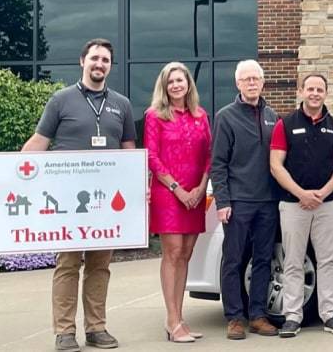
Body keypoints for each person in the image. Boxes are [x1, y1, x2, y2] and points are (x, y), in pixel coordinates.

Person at [20, 38, 136, 352]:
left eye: (105, 60)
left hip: (105, 202)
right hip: (68, 202)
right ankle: (64, 331)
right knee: (68, 265)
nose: (100, 64)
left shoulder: (122, 104)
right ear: (82, 61)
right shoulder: (61, 100)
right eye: (95, 58)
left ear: (110, 66)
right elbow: (39, 142)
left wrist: (140, 188)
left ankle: (96, 328)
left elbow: (129, 152)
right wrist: (9, 181)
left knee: (100, 266)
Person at [269, 73, 333, 337]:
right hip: (294, 205)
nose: (315, 93)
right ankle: (292, 317)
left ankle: (330, 314)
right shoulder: (285, 124)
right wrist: (301, 194)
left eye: (320, 89)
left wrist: (323, 193)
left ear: (326, 93)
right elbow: (276, 165)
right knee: (293, 261)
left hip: (327, 205)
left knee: (328, 261)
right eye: (310, 89)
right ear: (301, 91)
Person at [210, 60, 280, 340]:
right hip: (238, 202)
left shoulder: (272, 116)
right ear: (237, 83)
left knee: (263, 259)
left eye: (256, 78)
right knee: (234, 260)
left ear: (263, 82)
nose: (252, 83)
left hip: (268, 201)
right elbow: (218, 163)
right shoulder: (225, 117)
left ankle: (258, 316)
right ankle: (235, 318)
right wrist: (223, 201)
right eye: (246, 79)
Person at [144, 62, 212, 343]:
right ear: (164, 86)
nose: (175, 85)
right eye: (170, 81)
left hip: (195, 194)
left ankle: (180, 318)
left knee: (186, 253)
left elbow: (210, 154)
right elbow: (151, 156)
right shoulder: (154, 115)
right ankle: (171, 321)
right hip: (168, 194)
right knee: (172, 253)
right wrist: (177, 189)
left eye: (180, 80)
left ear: (188, 84)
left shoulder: (200, 115)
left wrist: (201, 187)